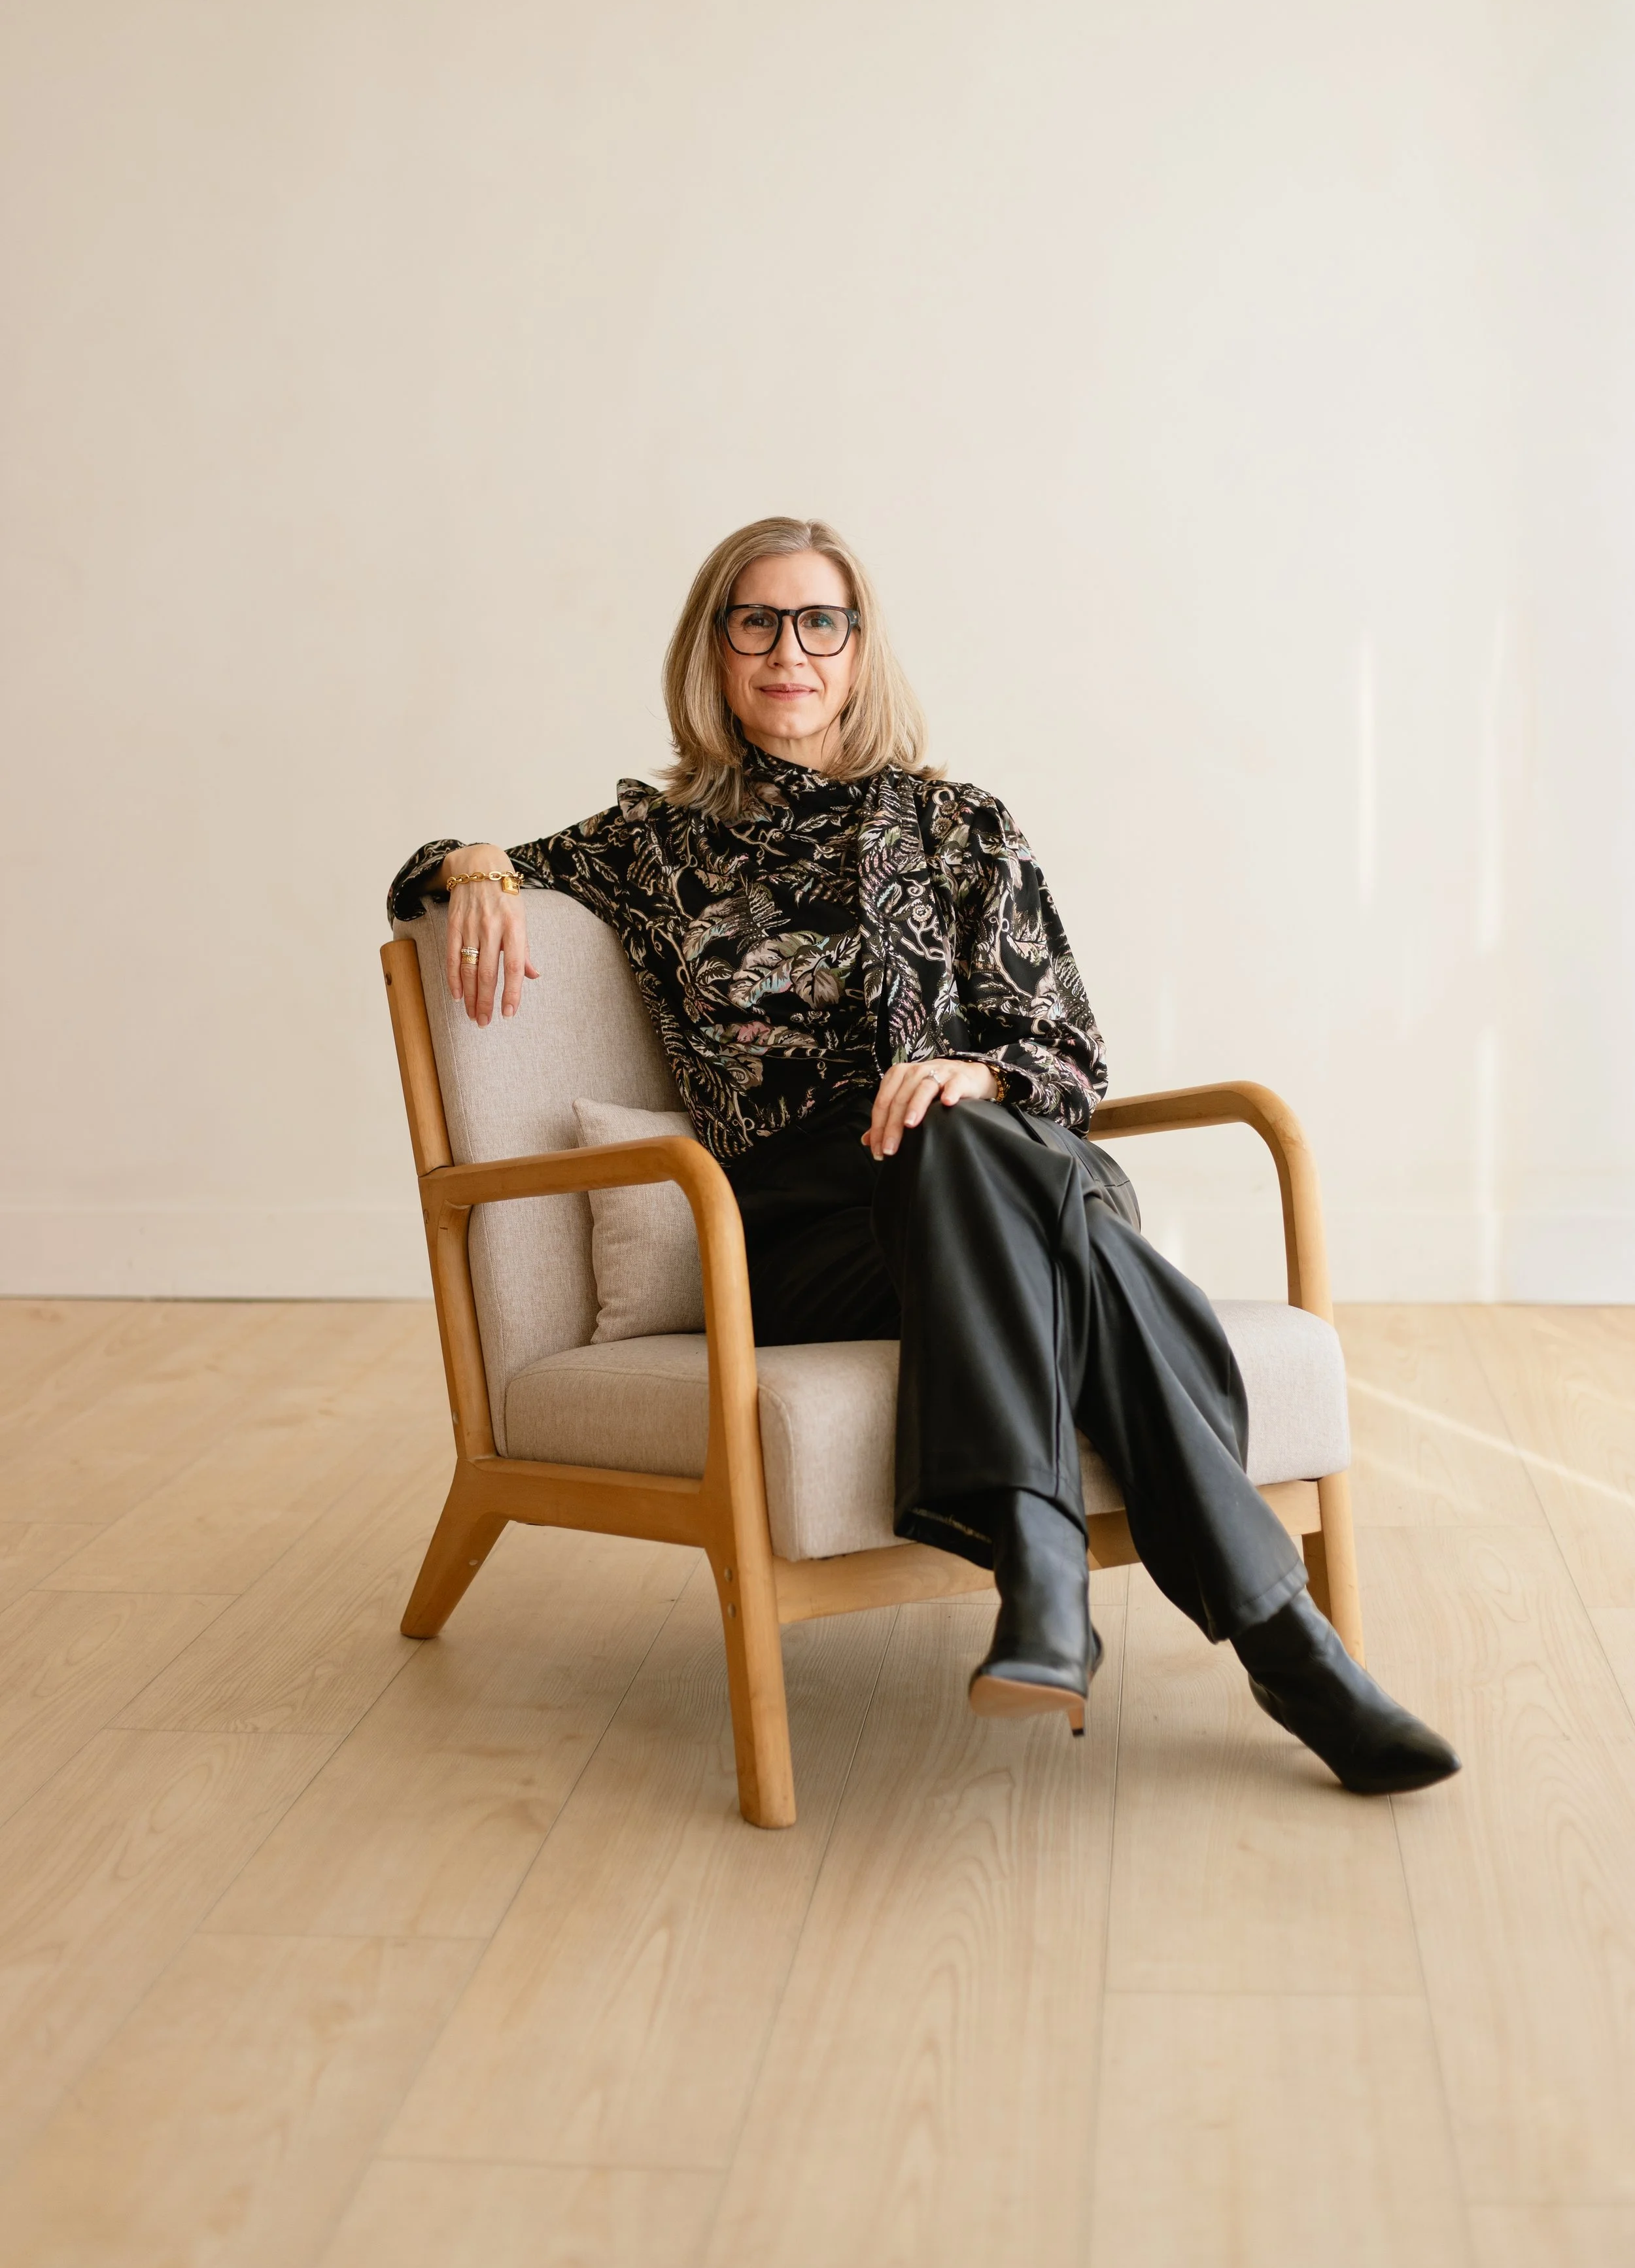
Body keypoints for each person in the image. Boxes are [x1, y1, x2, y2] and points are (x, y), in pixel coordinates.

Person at [388, 515, 1458, 1795]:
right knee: (1071, 1248)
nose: (790, 650)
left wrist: (977, 1075)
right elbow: (422, 879)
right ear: (714, 650)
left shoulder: (956, 824)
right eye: (756, 622)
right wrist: (473, 865)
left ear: (856, 649)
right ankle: (1285, 1649)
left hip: (1003, 1163)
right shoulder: (650, 849)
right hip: (807, 1236)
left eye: (818, 622)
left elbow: (1066, 1055)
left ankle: (1038, 1573)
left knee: (962, 1135)